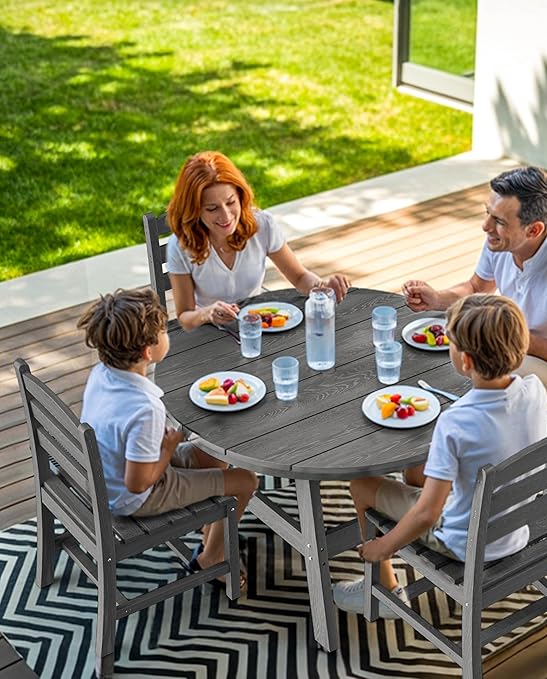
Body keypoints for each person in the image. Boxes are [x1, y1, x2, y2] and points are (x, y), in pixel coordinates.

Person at [333, 294, 547, 618]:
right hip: (514, 529)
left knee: (362, 485)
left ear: (466, 361)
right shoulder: (536, 390)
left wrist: (382, 547)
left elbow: (427, 515)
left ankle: (384, 590)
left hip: (465, 542)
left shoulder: (455, 422)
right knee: (417, 470)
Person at [77, 287, 258, 587]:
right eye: (162, 331)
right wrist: (169, 448)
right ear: (148, 352)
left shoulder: (101, 372)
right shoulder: (144, 409)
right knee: (245, 481)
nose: (166, 333)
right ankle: (212, 558)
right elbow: (138, 483)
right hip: (132, 497)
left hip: (108, 469)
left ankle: (212, 530)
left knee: (215, 454)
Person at [402, 166, 547, 409]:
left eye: (499, 221)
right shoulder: (503, 240)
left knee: (495, 374)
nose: (486, 226)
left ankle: (500, 426)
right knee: (463, 345)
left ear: (534, 229)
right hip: (526, 338)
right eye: (488, 213)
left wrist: (516, 338)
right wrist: (436, 298)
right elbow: (476, 288)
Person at [166, 151, 352, 331]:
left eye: (230, 202)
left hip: (257, 325)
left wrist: (322, 288)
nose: (226, 216)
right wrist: (207, 314)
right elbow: (185, 317)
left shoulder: (262, 225)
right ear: (195, 210)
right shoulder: (181, 245)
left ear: (240, 196)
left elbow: (299, 277)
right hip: (209, 333)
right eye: (212, 208)